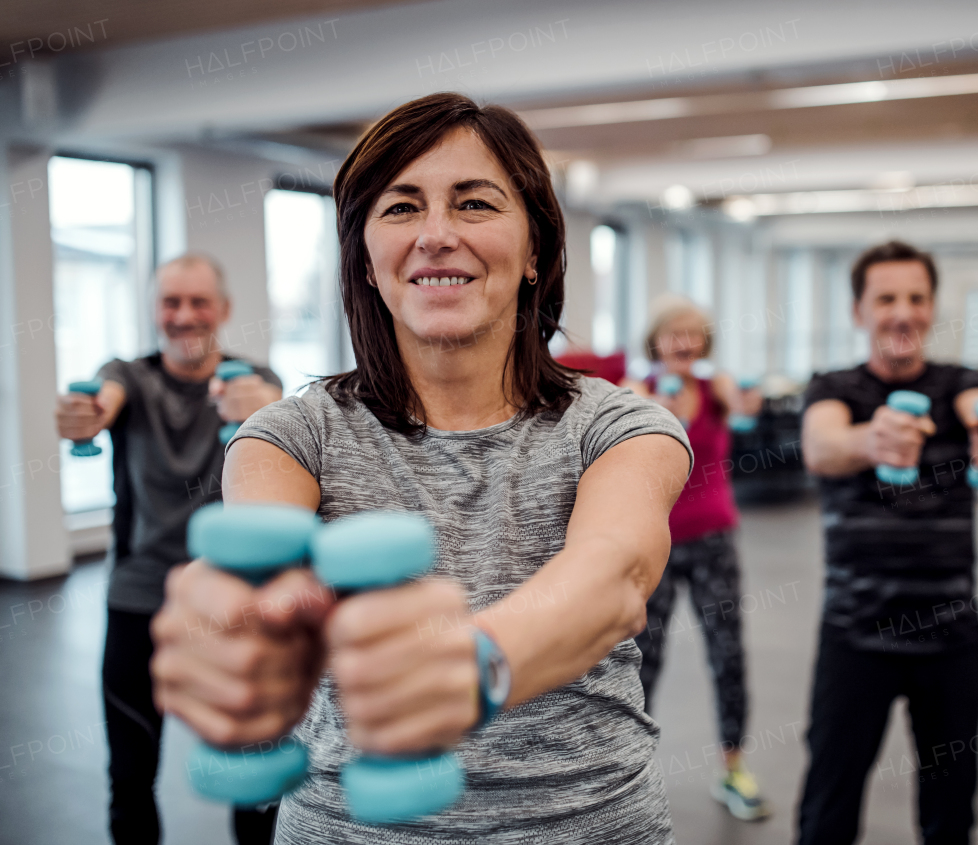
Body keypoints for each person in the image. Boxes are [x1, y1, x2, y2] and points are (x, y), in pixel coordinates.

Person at [148, 92, 692, 844]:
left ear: (535, 250)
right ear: (366, 260)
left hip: (592, 824)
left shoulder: (618, 424)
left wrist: (473, 666)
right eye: (401, 208)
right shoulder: (290, 434)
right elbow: (262, 563)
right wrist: (236, 623)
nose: (437, 235)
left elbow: (615, 574)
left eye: (474, 203)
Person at [53, 253, 284, 845]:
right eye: (170, 302)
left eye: (198, 302)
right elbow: (100, 403)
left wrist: (260, 412)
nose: (184, 316)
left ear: (224, 310)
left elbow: (273, 409)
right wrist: (83, 418)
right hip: (139, 599)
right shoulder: (129, 376)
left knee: (253, 781)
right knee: (129, 776)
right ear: (154, 311)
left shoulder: (254, 380)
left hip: (233, 605)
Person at [797, 240, 978, 845]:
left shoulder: (961, 384)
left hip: (950, 635)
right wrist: (875, 440)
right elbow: (821, 447)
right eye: (886, 297)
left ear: (932, 307)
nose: (903, 312)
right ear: (858, 311)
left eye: (916, 298)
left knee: (951, 814)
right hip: (855, 634)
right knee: (828, 808)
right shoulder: (833, 388)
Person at [622, 295, 770, 822]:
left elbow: (748, 406)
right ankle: (628, 774)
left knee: (727, 655)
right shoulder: (636, 394)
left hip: (713, 540)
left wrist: (750, 398)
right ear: (656, 341)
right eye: (674, 333)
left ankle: (734, 768)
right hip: (654, 544)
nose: (685, 342)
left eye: (694, 334)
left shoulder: (717, 389)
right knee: (642, 660)